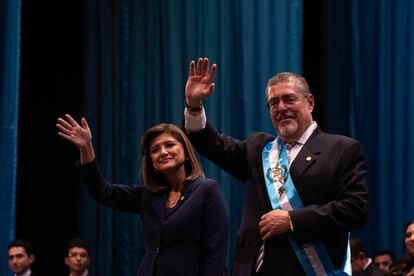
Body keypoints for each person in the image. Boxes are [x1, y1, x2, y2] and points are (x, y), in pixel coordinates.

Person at [183, 57, 369, 275]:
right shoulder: (257, 149)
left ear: (309, 102)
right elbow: (211, 144)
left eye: (289, 99)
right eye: (274, 102)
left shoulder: (342, 149)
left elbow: (355, 210)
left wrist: (292, 220)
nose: (281, 108)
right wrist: (194, 106)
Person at [56, 115, 228, 276]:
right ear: (152, 164)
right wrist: (86, 148)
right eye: (155, 149)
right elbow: (102, 192)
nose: (162, 152)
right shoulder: (149, 195)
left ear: (186, 151)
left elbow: (215, 252)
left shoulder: (206, 190)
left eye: (169, 145)